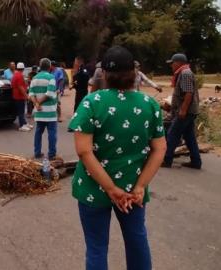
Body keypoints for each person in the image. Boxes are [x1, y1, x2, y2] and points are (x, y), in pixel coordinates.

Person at [68, 46, 167, 270]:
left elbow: (84, 151)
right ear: (134, 74)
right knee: (137, 240)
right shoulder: (149, 104)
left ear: (103, 74)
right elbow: (160, 149)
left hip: (93, 189)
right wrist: (141, 186)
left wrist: (111, 189)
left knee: (96, 247)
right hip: (133, 191)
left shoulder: (91, 102)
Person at [162, 53, 202, 169]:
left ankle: (166, 160)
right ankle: (196, 162)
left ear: (178, 63)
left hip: (186, 112)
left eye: (172, 63)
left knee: (172, 135)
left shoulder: (185, 73)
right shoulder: (183, 73)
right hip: (187, 111)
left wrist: (183, 110)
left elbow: (188, 93)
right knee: (189, 137)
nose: (171, 66)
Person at [29, 58, 58, 160]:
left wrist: (36, 103)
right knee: (52, 134)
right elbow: (49, 94)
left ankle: (37, 153)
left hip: (39, 111)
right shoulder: (51, 77)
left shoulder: (34, 78)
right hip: (50, 111)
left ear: (40, 67)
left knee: (38, 133)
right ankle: (52, 154)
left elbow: (31, 94)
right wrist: (38, 102)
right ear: (50, 67)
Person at [11, 62, 32, 132]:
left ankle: (24, 123)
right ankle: (21, 126)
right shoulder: (19, 75)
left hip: (17, 96)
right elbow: (20, 87)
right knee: (21, 112)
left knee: (21, 111)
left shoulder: (16, 74)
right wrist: (26, 96)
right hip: (19, 97)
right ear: (23, 68)